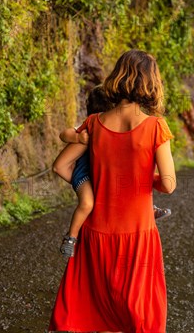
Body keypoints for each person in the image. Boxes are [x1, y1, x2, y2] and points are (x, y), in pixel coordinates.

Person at [48, 49, 176, 333]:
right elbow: (168, 183)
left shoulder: (93, 124)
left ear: (118, 77)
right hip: (138, 234)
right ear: (151, 84)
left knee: (98, 310)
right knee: (139, 316)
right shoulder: (156, 127)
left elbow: (60, 165)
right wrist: (145, 178)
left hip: (96, 233)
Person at [52, 85, 172, 258]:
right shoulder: (91, 127)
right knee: (87, 203)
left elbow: (59, 166)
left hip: (99, 177)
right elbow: (64, 138)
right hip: (85, 174)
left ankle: (149, 209)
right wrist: (80, 179)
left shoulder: (104, 125)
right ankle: (71, 237)